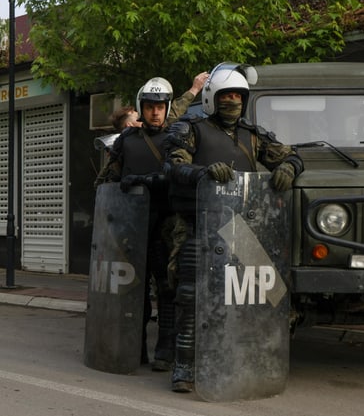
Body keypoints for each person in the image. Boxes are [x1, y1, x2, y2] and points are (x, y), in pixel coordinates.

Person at [163, 62, 304, 393]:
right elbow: (174, 163)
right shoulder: (191, 128)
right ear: (213, 97)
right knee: (190, 292)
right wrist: (201, 172)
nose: (233, 102)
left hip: (242, 227)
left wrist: (289, 168)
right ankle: (183, 365)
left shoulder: (253, 136)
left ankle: (255, 355)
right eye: (226, 95)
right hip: (199, 223)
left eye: (238, 96)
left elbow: (292, 155)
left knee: (269, 293)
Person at [94, 72, 208, 371]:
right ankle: (134, 347)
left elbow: (184, 171)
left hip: (169, 224)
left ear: (167, 108)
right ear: (140, 107)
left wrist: (196, 89)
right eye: (149, 106)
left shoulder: (180, 135)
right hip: (133, 224)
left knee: (169, 287)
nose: (155, 111)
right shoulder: (127, 140)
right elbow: (108, 179)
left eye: (160, 106)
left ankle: (166, 350)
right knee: (134, 289)